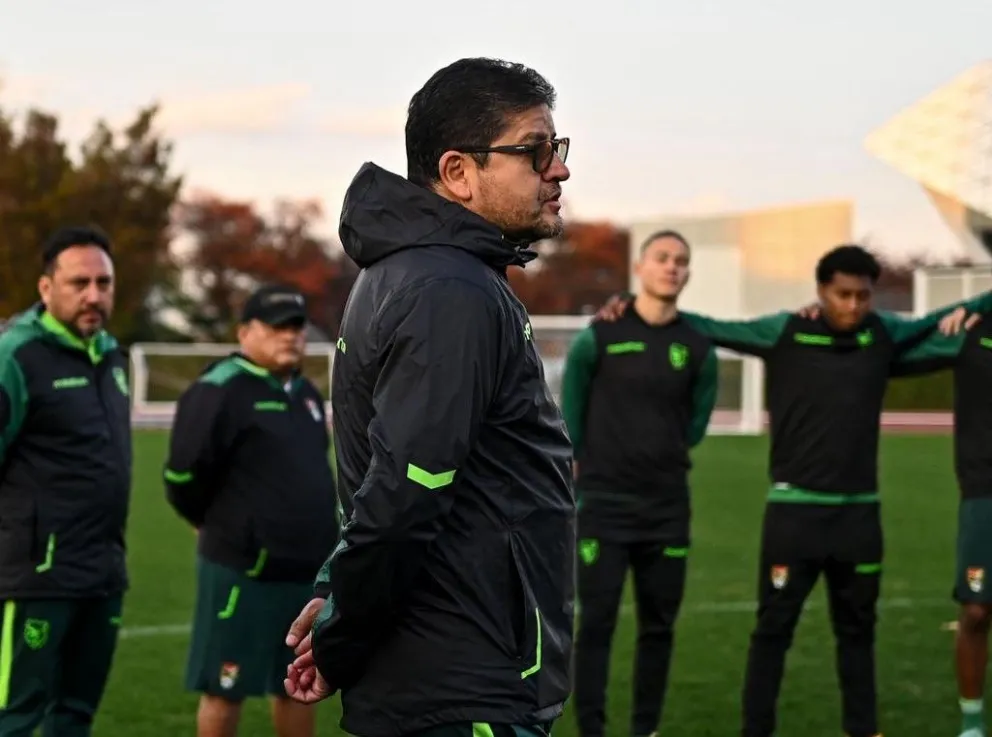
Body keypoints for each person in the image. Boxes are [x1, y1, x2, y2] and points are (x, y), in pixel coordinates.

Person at [282, 57, 576, 737]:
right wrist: (341, 638)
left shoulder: (415, 272)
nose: (557, 169)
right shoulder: (451, 290)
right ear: (457, 173)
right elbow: (403, 494)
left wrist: (334, 590)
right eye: (535, 150)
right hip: (460, 681)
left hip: (438, 670)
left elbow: (390, 481)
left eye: (556, 149)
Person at [594, 244, 992, 737]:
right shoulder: (786, 330)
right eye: (842, 294)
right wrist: (629, 307)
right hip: (793, 515)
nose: (852, 306)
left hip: (860, 517)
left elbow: (938, 321)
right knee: (772, 632)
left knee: (858, 635)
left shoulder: (882, 333)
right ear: (821, 291)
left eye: (863, 296)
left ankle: (862, 729)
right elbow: (713, 327)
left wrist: (973, 309)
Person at [163, 285, 340, 737]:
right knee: (225, 686)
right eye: (277, 327)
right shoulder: (218, 389)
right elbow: (182, 477)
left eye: (297, 327)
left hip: (304, 571)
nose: (290, 337)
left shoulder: (303, 392)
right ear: (245, 332)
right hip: (242, 571)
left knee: (298, 681)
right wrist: (218, 527)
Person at [561, 230, 718, 737]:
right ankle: (592, 730)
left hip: (668, 509)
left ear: (688, 273)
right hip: (604, 506)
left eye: (681, 261)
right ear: (641, 269)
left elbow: (696, 423)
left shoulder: (696, 346)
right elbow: (572, 415)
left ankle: (644, 729)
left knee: (658, 628)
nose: (672, 267)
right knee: (597, 627)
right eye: (663, 258)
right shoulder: (599, 336)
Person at [0, 226, 131, 736]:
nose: (94, 295)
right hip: (36, 577)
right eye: (80, 282)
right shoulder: (17, 356)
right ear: (46, 288)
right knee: (14, 717)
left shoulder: (111, 356)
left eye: (104, 282)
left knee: (74, 715)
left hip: (102, 573)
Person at [883, 310, 992, 737]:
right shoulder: (972, 331)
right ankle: (971, 721)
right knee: (977, 609)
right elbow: (882, 355)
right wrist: (826, 324)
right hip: (985, 491)